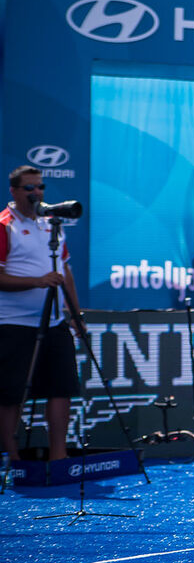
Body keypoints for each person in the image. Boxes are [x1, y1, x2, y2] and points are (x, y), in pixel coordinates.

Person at [0, 165, 82, 462]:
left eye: (40, 187)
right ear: (14, 191)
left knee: (61, 388)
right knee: (11, 394)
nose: (37, 193)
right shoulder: (4, 225)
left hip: (54, 320)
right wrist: (37, 281)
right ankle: (13, 460)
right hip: (14, 323)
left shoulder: (51, 224)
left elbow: (65, 271)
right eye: (29, 188)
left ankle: (59, 457)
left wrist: (76, 315)